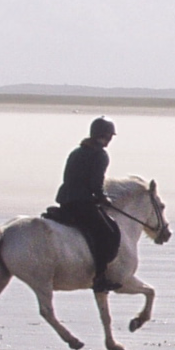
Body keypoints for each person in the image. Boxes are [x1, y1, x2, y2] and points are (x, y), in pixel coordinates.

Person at [54, 117, 121, 292]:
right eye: (110, 136)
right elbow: (95, 184)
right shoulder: (100, 155)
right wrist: (104, 198)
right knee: (108, 233)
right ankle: (100, 277)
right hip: (82, 203)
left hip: (66, 200)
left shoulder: (77, 152)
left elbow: (67, 178)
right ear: (105, 135)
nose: (110, 140)